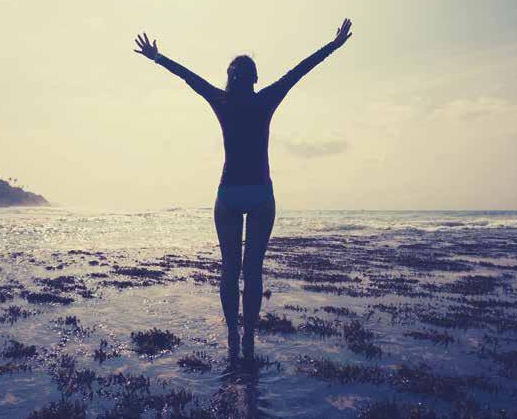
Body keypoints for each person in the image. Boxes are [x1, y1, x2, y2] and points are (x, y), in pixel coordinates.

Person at [133, 18, 353, 359]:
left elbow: (189, 77)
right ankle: (248, 337)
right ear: (255, 79)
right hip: (260, 194)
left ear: (230, 78)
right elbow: (300, 70)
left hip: (229, 194)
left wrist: (158, 58)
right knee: (252, 271)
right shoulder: (266, 99)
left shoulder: (221, 100)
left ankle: (233, 337)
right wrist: (334, 46)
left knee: (230, 269)